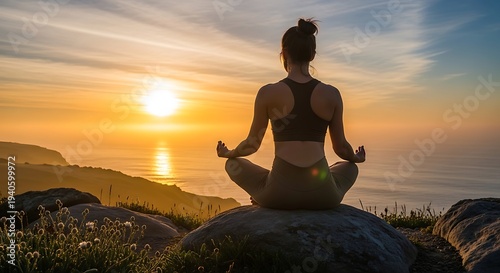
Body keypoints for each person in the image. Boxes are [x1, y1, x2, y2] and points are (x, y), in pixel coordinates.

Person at [216, 18, 366, 210]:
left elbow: (251, 145)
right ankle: (308, 187)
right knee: (350, 167)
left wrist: (228, 153)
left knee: (232, 164)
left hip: (278, 195)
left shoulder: (267, 93)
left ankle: (263, 195)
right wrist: (357, 158)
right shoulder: (332, 94)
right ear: (312, 55)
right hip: (324, 196)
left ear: (284, 53)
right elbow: (342, 149)